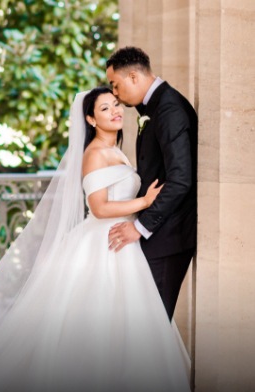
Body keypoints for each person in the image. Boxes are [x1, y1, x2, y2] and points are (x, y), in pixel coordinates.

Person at [0, 87, 190, 392]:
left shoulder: (117, 151)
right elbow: (99, 208)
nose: (115, 110)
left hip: (124, 240)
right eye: (104, 109)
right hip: (104, 241)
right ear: (90, 119)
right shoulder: (94, 154)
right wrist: (144, 203)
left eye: (116, 104)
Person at [106, 47, 198, 321]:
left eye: (116, 85)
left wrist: (140, 227)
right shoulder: (156, 106)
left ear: (133, 76)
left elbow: (180, 179)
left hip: (169, 237)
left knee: (151, 325)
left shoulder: (169, 108)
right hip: (160, 234)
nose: (114, 94)